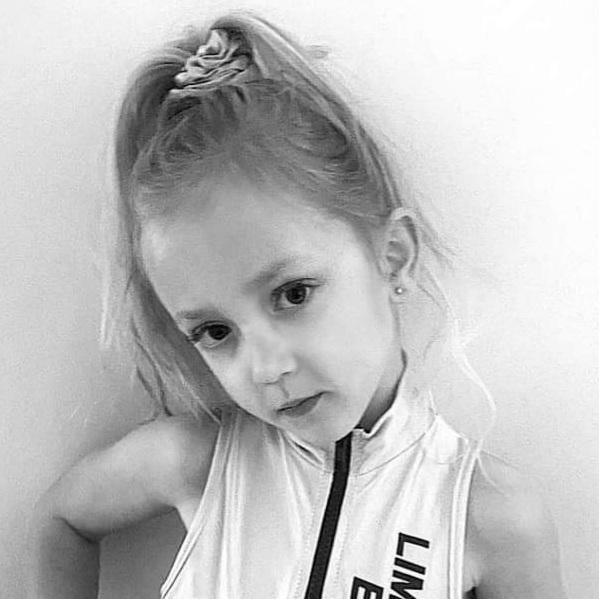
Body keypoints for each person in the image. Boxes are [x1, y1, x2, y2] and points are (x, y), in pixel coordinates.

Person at [27, 11, 567, 599]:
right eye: (214, 331)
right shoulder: (194, 462)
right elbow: (63, 521)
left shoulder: (489, 517)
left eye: (293, 294)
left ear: (393, 257)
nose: (266, 368)